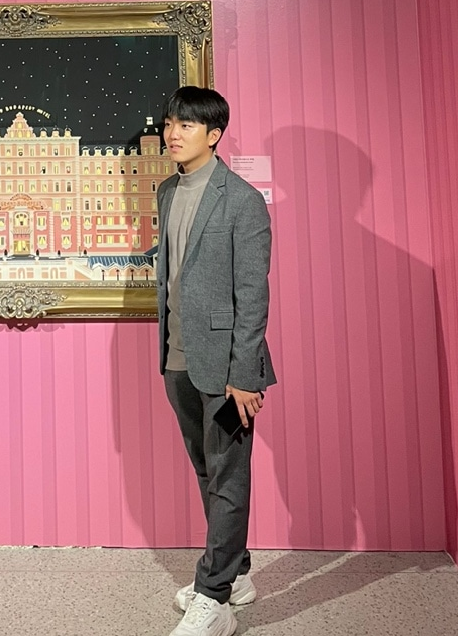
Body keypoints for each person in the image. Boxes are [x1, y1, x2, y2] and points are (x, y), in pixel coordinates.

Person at [156, 86, 277, 636]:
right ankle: (237, 573)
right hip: (178, 358)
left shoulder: (242, 200)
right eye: (170, 123)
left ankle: (214, 596)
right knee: (208, 471)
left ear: (214, 134)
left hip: (229, 370)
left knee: (228, 475)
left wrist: (244, 376)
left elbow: (253, 294)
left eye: (186, 125)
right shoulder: (167, 191)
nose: (173, 133)